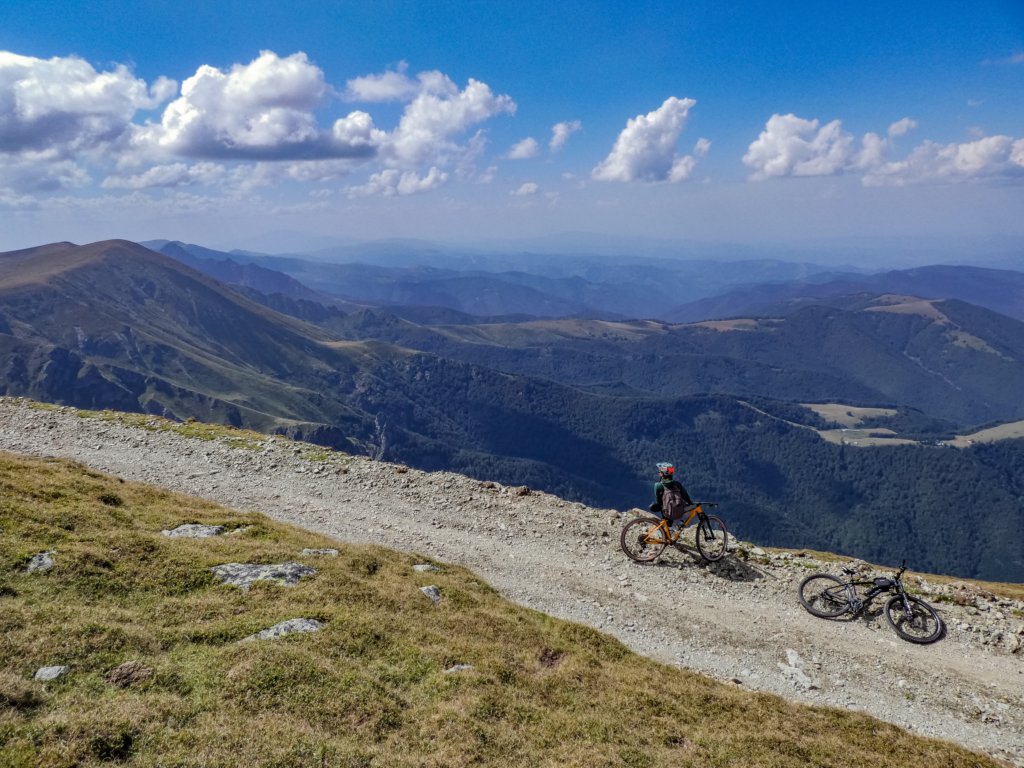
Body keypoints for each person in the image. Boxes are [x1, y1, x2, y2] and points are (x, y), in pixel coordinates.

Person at [649, 462, 694, 530]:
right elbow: (685, 496)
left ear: (662, 474)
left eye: (659, 472)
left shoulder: (658, 485)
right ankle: (670, 530)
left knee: (661, 511)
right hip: (679, 512)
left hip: (667, 513)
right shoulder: (677, 484)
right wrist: (690, 502)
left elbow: (659, 502)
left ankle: (664, 532)